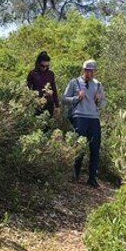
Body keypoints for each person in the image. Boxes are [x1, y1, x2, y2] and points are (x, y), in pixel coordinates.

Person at [62, 59, 106, 188]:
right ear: (83, 70)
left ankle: (92, 178)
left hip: (94, 118)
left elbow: (103, 103)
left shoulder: (98, 85)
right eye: (87, 70)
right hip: (79, 116)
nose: (89, 73)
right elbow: (64, 99)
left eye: (91, 70)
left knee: (95, 148)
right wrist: (77, 97)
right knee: (79, 146)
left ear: (95, 71)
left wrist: (99, 100)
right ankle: (75, 175)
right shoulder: (74, 82)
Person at [26, 51, 59, 117]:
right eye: (42, 66)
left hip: (49, 104)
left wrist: (57, 105)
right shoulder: (32, 74)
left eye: (46, 66)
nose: (44, 68)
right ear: (38, 63)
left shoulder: (50, 74)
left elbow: (54, 89)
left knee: (48, 125)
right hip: (37, 104)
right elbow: (28, 90)